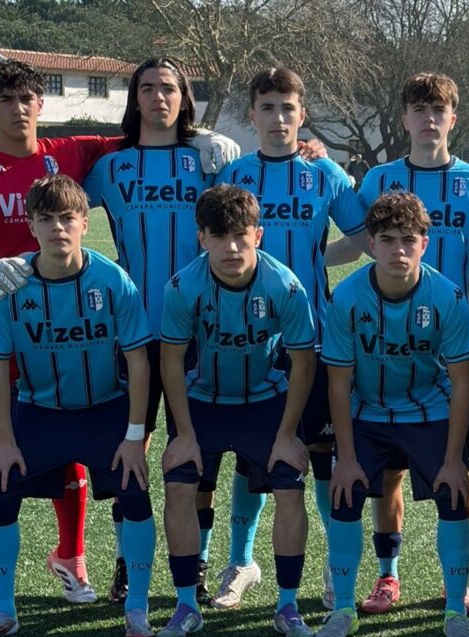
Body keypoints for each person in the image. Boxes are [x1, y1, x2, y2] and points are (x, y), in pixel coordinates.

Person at [0, 59, 112, 616]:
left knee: (70, 439)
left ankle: (70, 556)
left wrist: (200, 136)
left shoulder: (71, 153)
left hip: (59, 332)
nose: (19, 109)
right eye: (7, 100)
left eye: (27, 98)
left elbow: (146, 137)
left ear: (42, 104)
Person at [347, 72, 469, 615]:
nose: (428, 119)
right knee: (387, 471)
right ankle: (388, 575)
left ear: (452, 118)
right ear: (405, 118)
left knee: (456, 469)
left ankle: (456, 581)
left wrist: (460, 285)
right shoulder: (380, 179)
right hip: (382, 343)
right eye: (419, 109)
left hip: (452, 343)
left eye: (438, 110)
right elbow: (357, 243)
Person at [81, 56, 242, 607]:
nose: (158, 97)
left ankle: (196, 565)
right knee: (128, 450)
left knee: (197, 457)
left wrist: (308, 149)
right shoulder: (111, 167)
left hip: (199, 333)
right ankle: (128, 564)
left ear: (184, 97)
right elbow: (54, 186)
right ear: (135, 98)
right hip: (130, 333)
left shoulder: (208, 162)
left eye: (168, 87)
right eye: (147, 87)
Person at [0, 174, 156, 637]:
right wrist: (6, 443)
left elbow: (139, 362)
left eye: (67, 218)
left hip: (103, 411)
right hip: (39, 413)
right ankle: (3, 612)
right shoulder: (13, 287)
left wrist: (135, 437)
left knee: (135, 493)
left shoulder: (113, 281)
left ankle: (137, 609)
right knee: (3, 491)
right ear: (31, 226)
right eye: (46, 219)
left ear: (85, 223)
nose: (57, 228)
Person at [216, 66, 365, 611]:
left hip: (314, 338)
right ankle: (242, 561)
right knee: (249, 455)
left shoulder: (324, 173)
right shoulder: (233, 175)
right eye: (267, 107)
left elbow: (362, 239)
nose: (278, 118)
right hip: (249, 341)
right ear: (251, 115)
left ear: (302, 115)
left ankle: (333, 565)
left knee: (323, 453)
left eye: (287, 108)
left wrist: (317, 259)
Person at [158, 184, 317, 637]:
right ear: (201, 238)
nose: (231, 248)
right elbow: (171, 361)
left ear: (258, 235)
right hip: (203, 403)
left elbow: (303, 362)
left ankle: (287, 607)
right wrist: (184, 434)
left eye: (241, 236)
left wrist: (287, 434)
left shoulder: (285, 285)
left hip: (265, 403)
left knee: (289, 487)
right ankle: (186, 605)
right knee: (179, 486)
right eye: (219, 236)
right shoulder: (182, 286)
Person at [318, 192, 469, 637]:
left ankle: (455, 607)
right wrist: (345, 457)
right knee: (345, 493)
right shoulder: (347, 297)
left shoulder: (447, 296)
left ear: (425, 243)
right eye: (387, 240)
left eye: (409, 240)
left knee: (453, 493)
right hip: (367, 413)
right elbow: (338, 382)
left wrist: (454, 459)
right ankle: (345, 608)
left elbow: (462, 381)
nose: (399, 250)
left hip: (430, 412)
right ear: (370, 244)